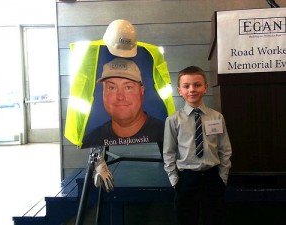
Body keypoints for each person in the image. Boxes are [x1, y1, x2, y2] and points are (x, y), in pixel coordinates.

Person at [163, 66, 232, 225]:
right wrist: (175, 180)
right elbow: (169, 152)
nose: (192, 89)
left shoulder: (216, 117)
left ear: (205, 88)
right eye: (186, 86)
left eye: (197, 85)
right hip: (186, 178)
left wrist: (222, 177)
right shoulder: (173, 120)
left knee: (214, 218)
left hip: (212, 177)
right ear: (179, 90)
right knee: (186, 219)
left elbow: (225, 149)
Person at [82, 57, 165, 149]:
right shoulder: (91, 141)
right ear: (103, 93)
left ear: (141, 91)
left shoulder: (166, 135)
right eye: (111, 88)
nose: (120, 97)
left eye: (128, 87)